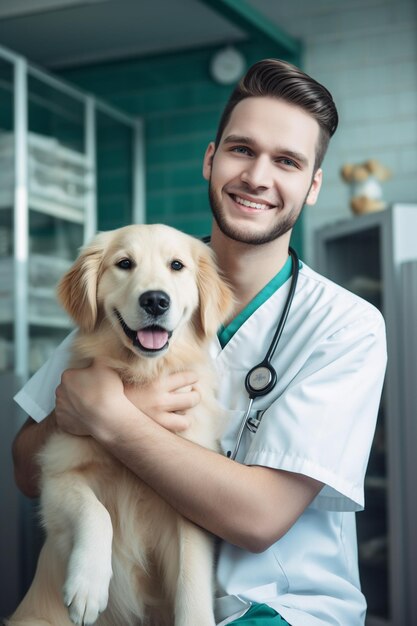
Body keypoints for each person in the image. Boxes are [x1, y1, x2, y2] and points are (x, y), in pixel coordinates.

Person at [12, 59, 387, 626]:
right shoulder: (132, 290)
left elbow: (260, 518)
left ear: (311, 187)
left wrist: (116, 416)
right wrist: (83, 415)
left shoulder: (343, 325)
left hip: (279, 608)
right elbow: (26, 468)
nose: (258, 176)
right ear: (211, 160)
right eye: (242, 149)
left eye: (286, 161)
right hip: (132, 606)